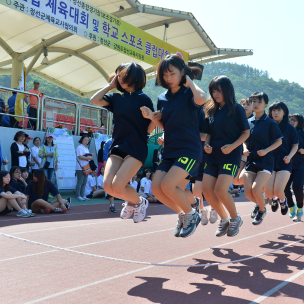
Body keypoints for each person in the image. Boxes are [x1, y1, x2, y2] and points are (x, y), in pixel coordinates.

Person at [147, 55, 206, 238]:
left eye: (172, 73)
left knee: (169, 185)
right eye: (165, 74)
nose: (168, 78)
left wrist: (190, 83)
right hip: (170, 150)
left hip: (189, 149)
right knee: (157, 189)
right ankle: (183, 213)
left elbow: (203, 98)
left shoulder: (190, 94)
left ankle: (191, 214)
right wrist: (154, 120)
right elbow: (169, 125)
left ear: (182, 72)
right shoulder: (162, 98)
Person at [90, 62, 154, 225]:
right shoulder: (116, 98)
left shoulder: (144, 99)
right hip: (117, 145)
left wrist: (147, 132)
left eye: (124, 75)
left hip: (136, 147)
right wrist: (110, 86)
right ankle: (134, 201)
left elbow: (152, 121)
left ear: (135, 77)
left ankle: (138, 202)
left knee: (118, 185)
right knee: (108, 186)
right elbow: (94, 99)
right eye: (119, 75)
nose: (120, 79)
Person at [201, 76, 249, 237]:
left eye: (219, 91)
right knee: (207, 191)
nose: (215, 94)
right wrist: (206, 145)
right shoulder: (211, 110)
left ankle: (235, 218)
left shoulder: (236, 109)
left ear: (227, 91)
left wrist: (232, 147)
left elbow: (245, 133)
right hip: (212, 156)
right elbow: (208, 133)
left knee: (220, 190)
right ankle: (224, 219)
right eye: (213, 91)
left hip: (230, 155)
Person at [243, 92, 282, 225]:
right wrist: (244, 148)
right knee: (248, 192)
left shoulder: (270, 123)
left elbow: (279, 141)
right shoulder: (248, 122)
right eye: (253, 101)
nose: (256, 104)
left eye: (259, 102)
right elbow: (244, 139)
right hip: (251, 161)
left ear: (265, 105)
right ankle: (261, 204)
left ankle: (261, 210)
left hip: (265, 162)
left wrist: (266, 150)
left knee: (255, 189)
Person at [264, 101, 298, 216]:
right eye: (273, 110)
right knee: (269, 192)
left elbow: (295, 145)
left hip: (284, 162)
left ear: (284, 113)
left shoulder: (290, 128)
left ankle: (283, 202)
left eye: (279, 110)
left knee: (278, 191)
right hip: (269, 162)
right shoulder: (267, 126)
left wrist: (289, 156)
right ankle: (274, 200)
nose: (276, 113)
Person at [285, 113, 304, 222]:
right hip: (287, 165)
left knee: (297, 187)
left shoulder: (303, 134)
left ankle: (300, 208)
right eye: (290, 120)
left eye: (294, 120)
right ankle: (291, 206)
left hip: (300, 165)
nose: (291, 122)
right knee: (285, 187)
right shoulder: (286, 132)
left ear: (300, 122)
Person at [233, 98, 254, 186]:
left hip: (252, 152)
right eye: (243, 104)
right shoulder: (237, 117)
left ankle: (259, 185)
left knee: (242, 179)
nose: (245, 106)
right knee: (235, 180)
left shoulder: (255, 119)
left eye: (248, 104)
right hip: (239, 151)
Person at [75, 134, 93, 201]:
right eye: (85, 139)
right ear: (82, 139)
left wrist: (90, 157)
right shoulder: (79, 147)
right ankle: (78, 196)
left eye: (88, 140)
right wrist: (89, 157)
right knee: (80, 182)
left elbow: (85, 156)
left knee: (84, 182)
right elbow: (80, 157)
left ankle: (82, 195)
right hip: (80, 167)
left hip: (86, 167)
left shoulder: (86, 148)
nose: (86, 141)